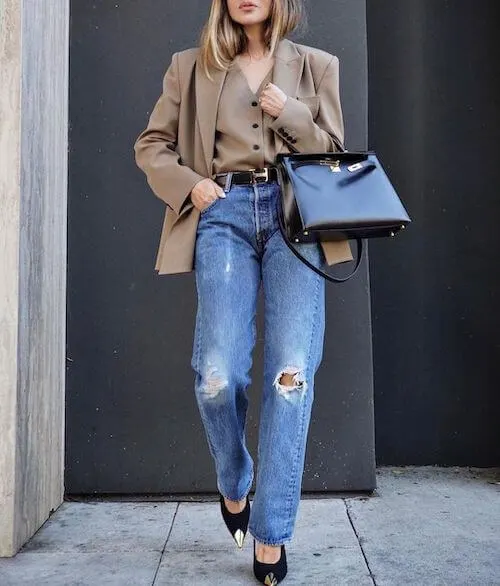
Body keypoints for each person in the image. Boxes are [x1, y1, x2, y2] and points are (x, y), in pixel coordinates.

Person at [134, 1, 352, 583]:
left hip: (295, 214)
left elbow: (334, 154)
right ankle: (235, 486)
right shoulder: (191, 66)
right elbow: (151, 145)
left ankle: (271, 533)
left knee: (290, 375)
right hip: (223, 214)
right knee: (215, 374)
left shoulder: (316, 66)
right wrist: (191, 186)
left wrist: (295, 114)